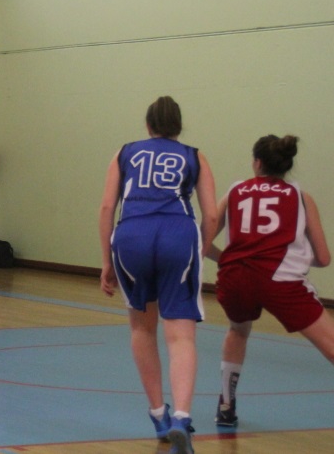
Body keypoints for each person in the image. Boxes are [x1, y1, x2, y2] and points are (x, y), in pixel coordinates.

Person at [98, 96, 216, 454]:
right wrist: (199, 250)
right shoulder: (194, 155)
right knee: (180, 336)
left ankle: (158, 415)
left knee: (141, 328)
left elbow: (107, 207)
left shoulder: (125, 153)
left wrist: (106, 261)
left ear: (148, 125)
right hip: (177, 234)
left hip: (131, 234)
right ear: (179, 126)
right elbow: (211, 215)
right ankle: (181, 417)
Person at [206, 134, 334, 428]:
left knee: (238, 330)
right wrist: (298, 256)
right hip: (280, 279)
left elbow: (202, 241)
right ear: (286, 165)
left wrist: (226, 258)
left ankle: (226, 405)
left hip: (235, 277)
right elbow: (324, 258)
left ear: (257, 163)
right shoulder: (301, 197)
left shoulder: (235, 191)